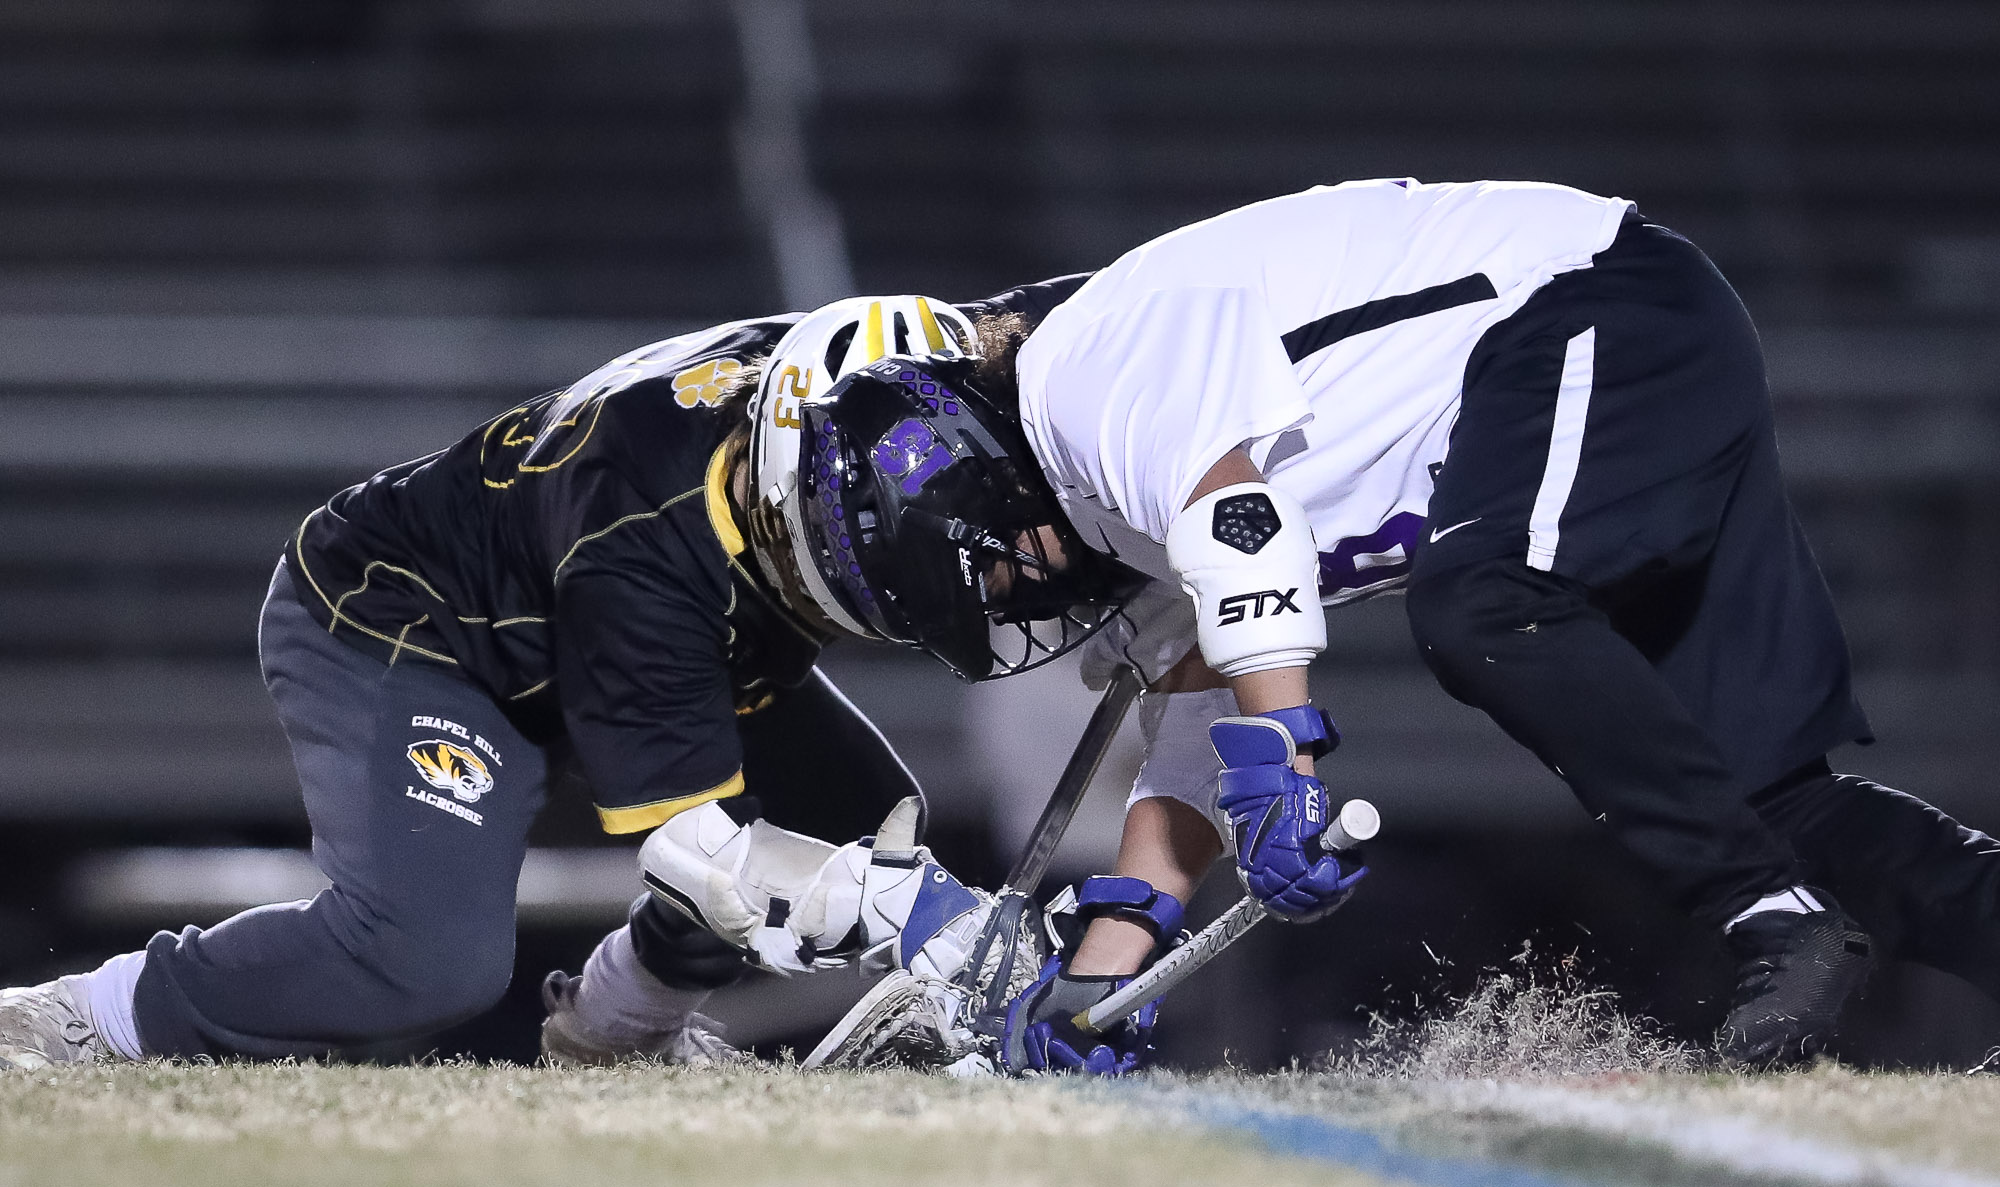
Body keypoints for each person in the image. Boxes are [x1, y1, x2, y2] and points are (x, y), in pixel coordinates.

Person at [776, 177, 2000, 1072]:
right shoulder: (1113, 496)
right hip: (1611, 355)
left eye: (986, 572)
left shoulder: (1079, 374)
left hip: (1591, 309)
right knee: (1768, 796)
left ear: (966, 475)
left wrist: (1288, 760)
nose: (1009, 597)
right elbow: (1204, 697)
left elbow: (1235, 530)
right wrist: (1110, 953)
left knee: (1482, 606)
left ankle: (1770, 922)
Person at [0, 283, 1082, 1073]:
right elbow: (699, 856)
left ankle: (614, 1037)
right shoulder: (641, 539)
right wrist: (919, 910)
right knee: (421, 961)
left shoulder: (886, 377)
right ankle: (91, 1014)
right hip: (422, 631)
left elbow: (1093, 320)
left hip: (649, 611)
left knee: (855, 819)